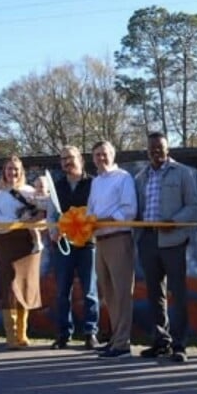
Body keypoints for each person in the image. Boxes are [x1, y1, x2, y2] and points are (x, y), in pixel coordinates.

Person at [133, 132, 197, 363]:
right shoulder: (141, 176)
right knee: (154, 295)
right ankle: (161, 342)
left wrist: (174, 223)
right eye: (152, 148)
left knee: (178, 293)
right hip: (148, 241)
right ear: (147, 151)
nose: (156, 152)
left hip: (173, 241)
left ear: (168, 148)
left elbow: (193, 206)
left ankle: (180, 345)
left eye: (160, 148)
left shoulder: (182, 173)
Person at [0, 155, 45, 350]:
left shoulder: (30, 191)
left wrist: (33, 219)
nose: (13, 172)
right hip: (6, 243)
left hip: (28, 245)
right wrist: (13, 223)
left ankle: (22, 333)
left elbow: (44, 213)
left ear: (21, 172)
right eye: (9, 169)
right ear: (4, 171)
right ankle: (10, 335)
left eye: (16, 169)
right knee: (9, 288)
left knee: (25, 287)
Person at [86, 140, 138, 359]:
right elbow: (90, 210)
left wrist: (101, 220)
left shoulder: (123, 178)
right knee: (108, 293)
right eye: (97, 154)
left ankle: (123, 343)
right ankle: (115, 339)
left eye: (104, 153)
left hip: (119, 238)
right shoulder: (96, 181)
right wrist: (88, 223)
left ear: (113, 154)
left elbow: (128, 210)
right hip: (100, 240)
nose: (101, 158)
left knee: (122, 292)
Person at [46, 146, 101, 351]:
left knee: (89, 291)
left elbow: (98, 209)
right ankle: (63, 334)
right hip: (63, 244)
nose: (66, 162)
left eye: (70, 157)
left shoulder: (94, 183)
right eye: (63, 159)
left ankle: (90, 333)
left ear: (80, 159)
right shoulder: (57, 186)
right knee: (62, 291)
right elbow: (51, 214)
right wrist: (53, 231)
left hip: (88, 244)